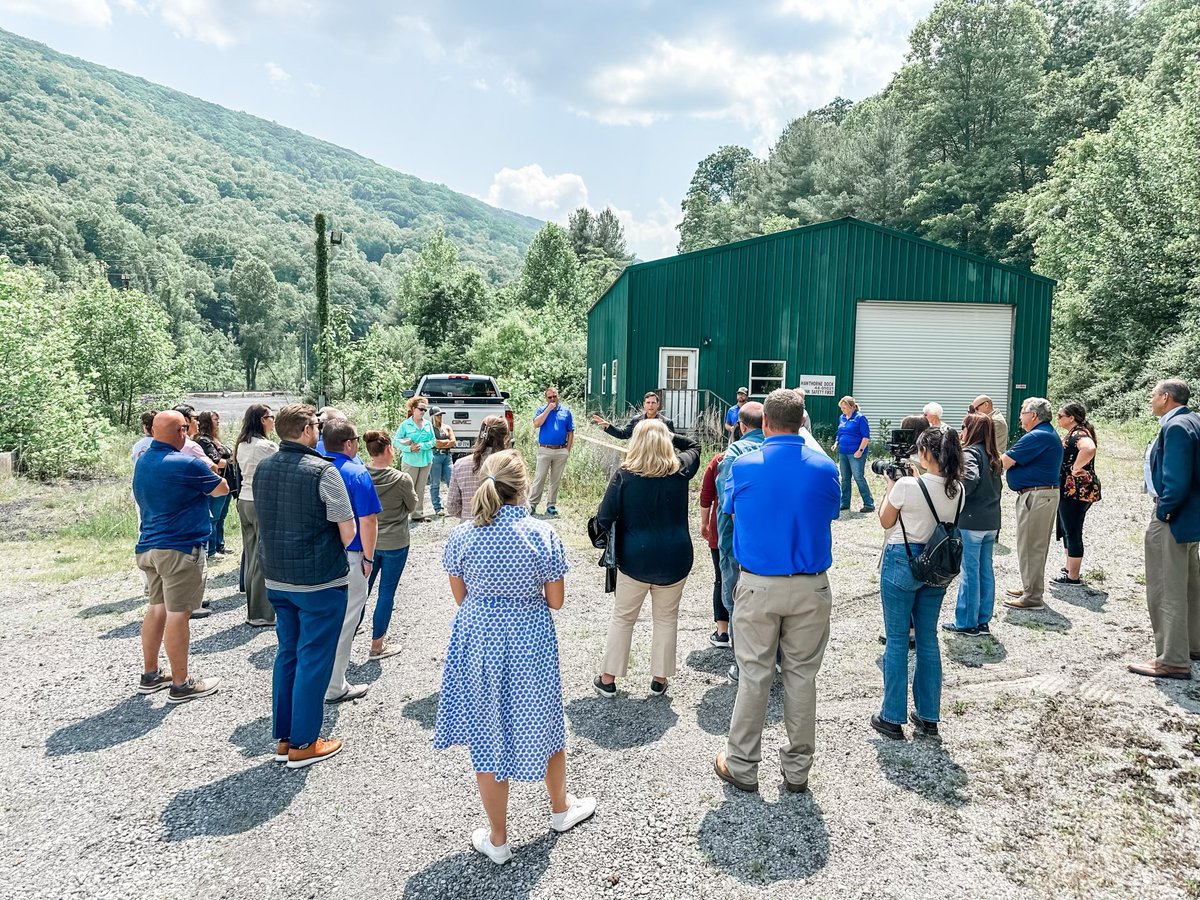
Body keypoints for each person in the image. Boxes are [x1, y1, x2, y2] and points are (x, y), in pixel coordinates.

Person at [433, 450, 596, 865]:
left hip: (478, 640)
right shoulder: (541, 534)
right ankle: (560, 810)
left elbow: (460, 597)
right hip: (529, 640)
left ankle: (498, 838)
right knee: (545, 722)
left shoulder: (463, 536)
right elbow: (555, 602)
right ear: (523, 488)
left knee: (486, 734)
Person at [713, 389, 840, 793]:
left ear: (765, 423)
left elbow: (728, 508)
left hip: (758, 585)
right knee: (802, 677)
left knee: (754, 675)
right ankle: (798, 771)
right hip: (810, 585)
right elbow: (832, 511)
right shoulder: (825, 468)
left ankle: (743, 764)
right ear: (803, 422)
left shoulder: (744, 465)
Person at [254, 404, 357, 768]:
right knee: (314, 657)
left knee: (288, 654)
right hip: (318, 580)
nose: (317, 430)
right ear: (306, 430)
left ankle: (284, 738)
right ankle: (304, 742)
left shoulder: (263, 467)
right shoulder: (324, 471)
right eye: (315, 425)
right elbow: (348, 530)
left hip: (277, 576)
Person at [593, 420, 702, 698]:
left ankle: (608, 678)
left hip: (635, 558)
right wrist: (666, 434)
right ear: (666, 442)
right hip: (676, 557)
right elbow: (694, 445)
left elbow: (604, 518)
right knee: (666, 618)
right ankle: (659, 679)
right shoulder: (681, 470)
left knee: (624, 618)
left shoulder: (625, 476)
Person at [872, 426, 965, 740]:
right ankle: (928, 716)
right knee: (928, 639)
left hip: (903, 559)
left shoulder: (907, 486)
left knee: (898, 641)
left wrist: (891, 486)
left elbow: (885, 520)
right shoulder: (958, 489)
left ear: (926, 452)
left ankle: (892, 716)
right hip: (936, 565)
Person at [133, 411, 229, 703]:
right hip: (180, 547)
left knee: (156, 608)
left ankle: (151, 674)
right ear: (182, 430)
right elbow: (220, 489)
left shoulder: (144, 461)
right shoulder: (186, 462)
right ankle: (181, 683)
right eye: (185, 429)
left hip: (148, 545)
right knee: (179, 613)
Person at [1130, 379, 1200, 680]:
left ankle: (1172, 658)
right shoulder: (1193, 420)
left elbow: (1177, 479)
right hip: (1191, 517)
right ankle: (1193, 645)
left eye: (1153, 395)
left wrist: (1164, 510)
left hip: (1174, 517)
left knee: (1166, 586)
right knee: (1190, 585)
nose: (1150, 400)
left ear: (1166, 398)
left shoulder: (1175, 427)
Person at [321, 418, 381, 703]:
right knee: (347, 621)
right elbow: (368, 519)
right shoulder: (357, 473)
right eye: (357, 439)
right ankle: (334, 684)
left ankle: (317, 677)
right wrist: (369, 557)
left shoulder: (317, 467)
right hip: (352, 554)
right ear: (348, 443)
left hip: (321, 552)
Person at [716, 402, 766, 682]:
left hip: (737, 541)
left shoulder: (734, 453)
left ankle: (742, 661)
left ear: (742, 426)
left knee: (737, 600)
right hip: (771, 541)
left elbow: (729, 505)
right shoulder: (773, 450)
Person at [1001, 398, 1064, 611]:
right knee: (1031, 544)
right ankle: (1031, 587)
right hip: (1039, 495)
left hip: (1037, 497)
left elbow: (1004, 462)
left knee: (1031, 545)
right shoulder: (1044, 434)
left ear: (1034, 415)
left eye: (1022, 412)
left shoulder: (1037, 436)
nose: (1020, 417)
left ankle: (1032, 596)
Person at [944, 413, 1003, 634]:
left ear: (972, 430)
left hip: (971, 521)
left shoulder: (970, 453)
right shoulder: (993, 454)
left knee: (970, 572)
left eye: (963, 427)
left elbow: (969, 478)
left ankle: (966, 622)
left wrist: (954, 496)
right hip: (990, 520)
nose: (961, 432)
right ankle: (982, 620)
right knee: (985, 570)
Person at [364, 429, 417, 660]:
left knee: (361, 592)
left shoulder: (361, 474)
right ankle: (377, 646)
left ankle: (348, 632)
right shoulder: (401, 478)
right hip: (395, 541)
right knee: (386, 593)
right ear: (388, 449)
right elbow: (412, 505)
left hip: (368, 542)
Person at [232, 404, 278, 627]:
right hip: (261, 501)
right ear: (262, 420)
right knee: (263, 556)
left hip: (244, 500)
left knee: (251, 554)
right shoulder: (267, 446)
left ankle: (253, 609)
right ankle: (261, 613)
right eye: (271, 417)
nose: (273, 421)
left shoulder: (242, 444)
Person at [1054, 402, 1101, 586]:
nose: (1058, 419)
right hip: (1072, 490)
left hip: (1076, 491)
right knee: (1067, 529)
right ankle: (1069, 568)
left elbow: (1089, 448)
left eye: (1060, 416)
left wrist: (1075, 468)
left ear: (1071, 418)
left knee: (1072, 530)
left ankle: (1073, 576)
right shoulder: (1076, 432)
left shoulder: (1079, 434)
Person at [447, 415, 511, 519]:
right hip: (503, 531)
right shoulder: (511, 465)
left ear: (480, 434)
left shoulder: (460, 464)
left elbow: (452, 507)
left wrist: (469, 516)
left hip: (469, 529)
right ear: (505, 437)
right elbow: (523, 504)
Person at [699, 450, 731, 649]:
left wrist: (704, 523)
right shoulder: (762, 455)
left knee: (721, 577)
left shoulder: (719, 459)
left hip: (720, 530)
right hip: (752, 532)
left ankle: (722, 631)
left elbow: (707, 494)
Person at [196, 411, 237, 558]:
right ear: (207, 421)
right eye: (215, 419)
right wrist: (232, 461)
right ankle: (211, 549)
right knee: (213, 516)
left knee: (221, 516)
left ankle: (220, 545)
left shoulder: (215, 440)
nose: (218, 421)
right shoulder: (203, 441)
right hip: (215, 483)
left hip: (227, 483)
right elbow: (216, 461)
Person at [530, 386, 575, 516]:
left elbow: (570, 431)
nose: (552, 399)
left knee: (555, 479)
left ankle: (551, 505)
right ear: (546, 398)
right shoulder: (541, 410)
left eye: (554, 396)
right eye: (550, 397)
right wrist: (548, 409)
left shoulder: (566, 412)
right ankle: (532, 504)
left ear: (558, 396)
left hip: (561, 450)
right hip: (545, 449)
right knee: (539, 477)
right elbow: (536, 424)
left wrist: (567, 449)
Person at [395, 395, 435, 522]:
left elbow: (433, 441)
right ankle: (403, 514)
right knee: (407, 487)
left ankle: (417, 514)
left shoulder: (428, 424)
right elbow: (396, 442)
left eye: (425, 410)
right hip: (410, 460)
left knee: (421, 488)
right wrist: (409, 449)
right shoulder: (405, 425)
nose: (423, 412)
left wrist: (422, 446)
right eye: (420, 409)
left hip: (425, 460)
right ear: (413, 409)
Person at [833, 395, 874, 513]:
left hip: (856, 452)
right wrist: (836, 443)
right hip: (843, 452)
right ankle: (845, 503)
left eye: (844, 407)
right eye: (841, 408)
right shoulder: (842, 417)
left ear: (852, 407)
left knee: (858, 477)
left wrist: (860, 451)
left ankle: (869, 503)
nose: (842, 410)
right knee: (845, 478)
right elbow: (840, 433)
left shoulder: (860, 418)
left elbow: (866, 437)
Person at [591, 391, 676, 438]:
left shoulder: (666, 422)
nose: (651, 405)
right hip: (640, 461)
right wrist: (608, 426)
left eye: (653, 403)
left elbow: (672, 444)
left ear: (658, 404)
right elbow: (623, 434)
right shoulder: (637, 420)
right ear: (644, 404)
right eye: (648, 402)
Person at [428, 407, 456, 517]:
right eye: (437, 415)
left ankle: (454, 506)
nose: (440, 417)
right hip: (435, 455)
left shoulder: (447, 427)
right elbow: (435, 443)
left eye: (441, 415)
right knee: (435, 482)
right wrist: (446, 442)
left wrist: (443, 442)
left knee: (452, 481)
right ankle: (438, 507)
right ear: (432, 416)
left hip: (447, 456)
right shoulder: (430, 429)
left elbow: (453, 441)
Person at [173, 405, 218, 471]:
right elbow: (213, 468)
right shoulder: (191, 446)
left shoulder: (166, 443)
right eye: (195, 419)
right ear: (186, 420)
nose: (198, 422)